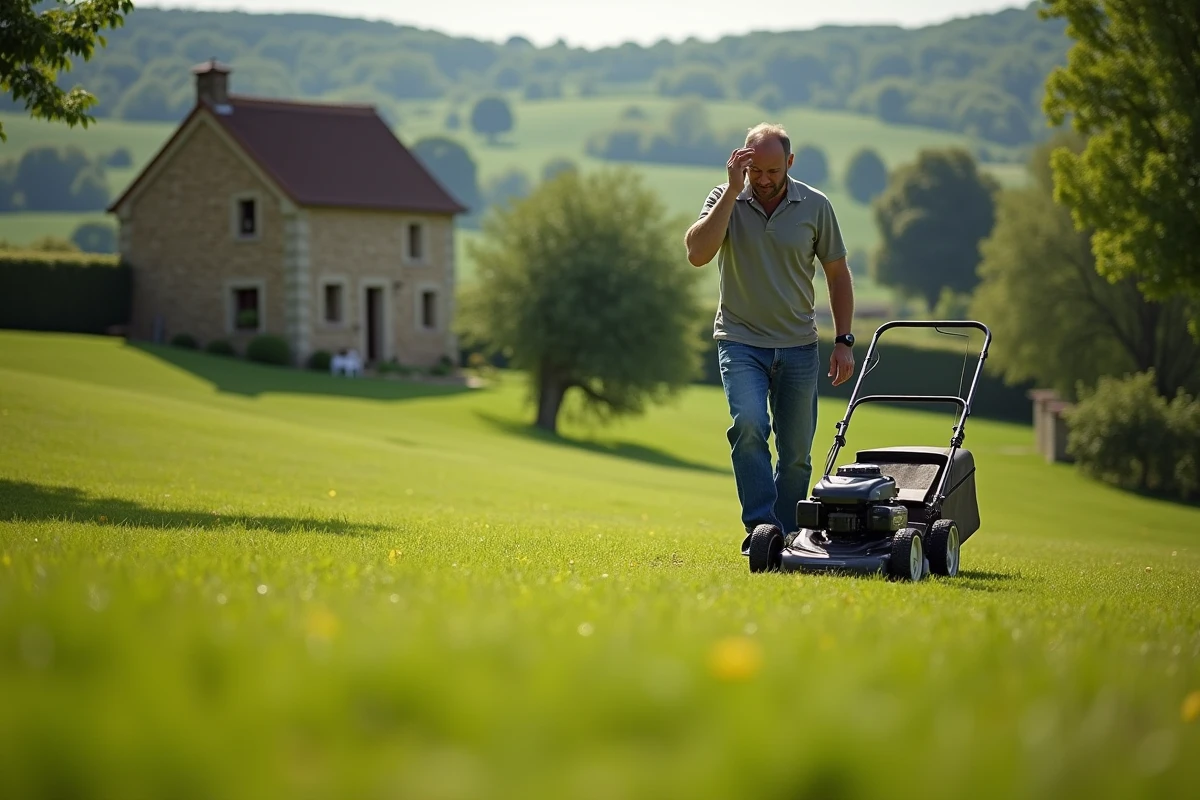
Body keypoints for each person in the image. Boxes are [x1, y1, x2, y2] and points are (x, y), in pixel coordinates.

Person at [684, 122, 856, 555]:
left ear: (790, 164)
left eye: (773, 171)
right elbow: (697, 254)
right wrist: (730, 190)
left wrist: (844, 340)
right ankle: (762, 529)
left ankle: (788, 536)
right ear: (741, 162)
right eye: (755, 170)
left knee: (796, 455)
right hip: (740, 341)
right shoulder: (725, 199)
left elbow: (837, 274)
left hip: (798, 345)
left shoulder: (816, 206)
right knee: (748, 425)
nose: (763, 180)